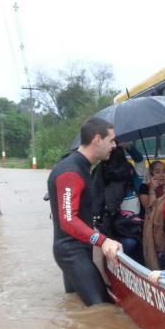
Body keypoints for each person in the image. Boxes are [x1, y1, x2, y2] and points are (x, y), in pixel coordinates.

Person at [48, 117, 122, 306]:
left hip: (77, 250)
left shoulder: (80, 166)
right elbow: (68, 221)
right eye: (111, 140)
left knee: (76, 307)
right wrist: (102, 241)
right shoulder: (71, 171)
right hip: (71, 253)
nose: (114, 145)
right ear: (97, 139)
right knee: (102, 310)